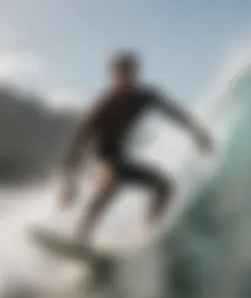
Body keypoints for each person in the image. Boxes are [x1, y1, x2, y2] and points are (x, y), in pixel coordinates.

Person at [59, 51, 213, 245]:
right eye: (119, 75)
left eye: (128, 74)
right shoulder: (103, 105)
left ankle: (146, 234)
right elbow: (76, 143)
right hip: (97, 159)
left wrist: (197, 132)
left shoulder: (145, 97)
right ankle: (81, 237)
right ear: (113, 77)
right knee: (111, 181)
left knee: (163, 186)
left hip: (119, 158)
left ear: (135, 74)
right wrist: (69, 183)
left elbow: (174, 112)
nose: (124, 80)